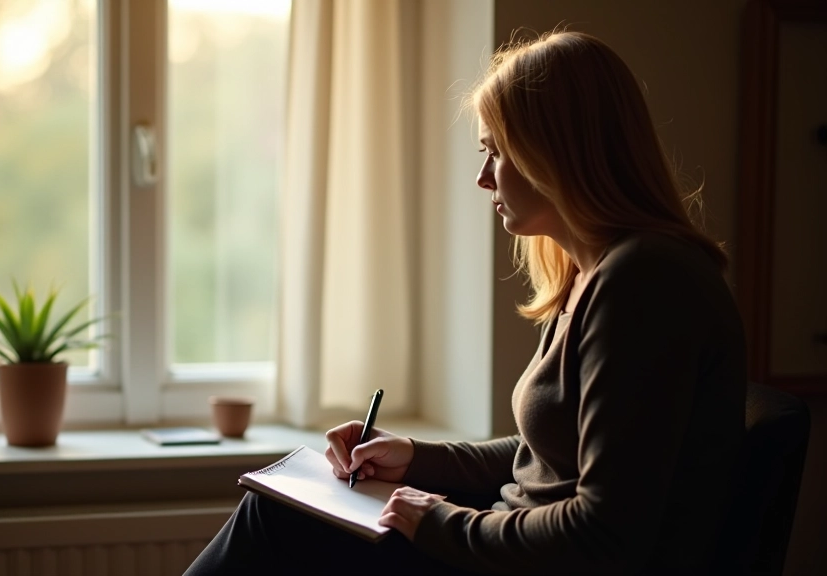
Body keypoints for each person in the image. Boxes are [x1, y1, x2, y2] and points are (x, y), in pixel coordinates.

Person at [185, 30, 746, 576]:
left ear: (556, 155)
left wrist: (439, 524)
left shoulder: (646, 281)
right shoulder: (593, 273)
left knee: (273, 521)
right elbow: (542, 460)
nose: (483, 178)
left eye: (497, 153)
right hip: (509, 546)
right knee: (281, 514)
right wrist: (415, 457)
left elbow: (604, 534)